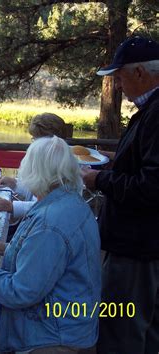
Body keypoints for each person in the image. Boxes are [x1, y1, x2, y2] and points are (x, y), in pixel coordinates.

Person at [0, 136, 101, 353]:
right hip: (73, 325)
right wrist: (2, 247)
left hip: (53, 336)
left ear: (33, 171)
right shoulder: (69, 201)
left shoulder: (50, 223)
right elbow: (48, 258)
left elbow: (20, 292)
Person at [82, 36, 159, 353]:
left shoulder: (156, 114)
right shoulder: (150, 109)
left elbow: (152, 187)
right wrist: (115, 163)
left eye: (119, 76)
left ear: (140, 73)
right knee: (148, 330)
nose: (117, 84)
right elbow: (143, 166)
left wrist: (99, 179)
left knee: (120, 331)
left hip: (136, 248)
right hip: (143, 244)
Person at [0, 113, 68, 227]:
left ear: (52, 141)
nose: (34, 143)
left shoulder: (62, 167)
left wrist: (11, 207)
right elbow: (34, 193)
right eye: (33, 139)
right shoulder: (46, 160)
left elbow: (49, 208)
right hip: (30, 223)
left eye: (36, 139)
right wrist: (14, 183)